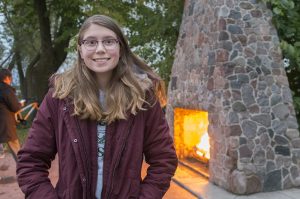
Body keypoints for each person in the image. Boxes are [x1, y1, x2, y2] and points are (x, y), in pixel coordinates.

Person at [17, 15, 178, 199]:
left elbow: (164, 159)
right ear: (80, 49)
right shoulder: (60, 97)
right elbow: (30, 162)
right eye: (91, 42)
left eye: (109, 41)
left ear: (121, 47)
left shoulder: (142, 98)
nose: (100, 49)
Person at [0, 68, 22, 161]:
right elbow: (15, 107)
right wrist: (20, 104)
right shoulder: (7, 90)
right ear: (7, 78)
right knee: (16, 149)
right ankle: (25, 173)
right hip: (6, 124)